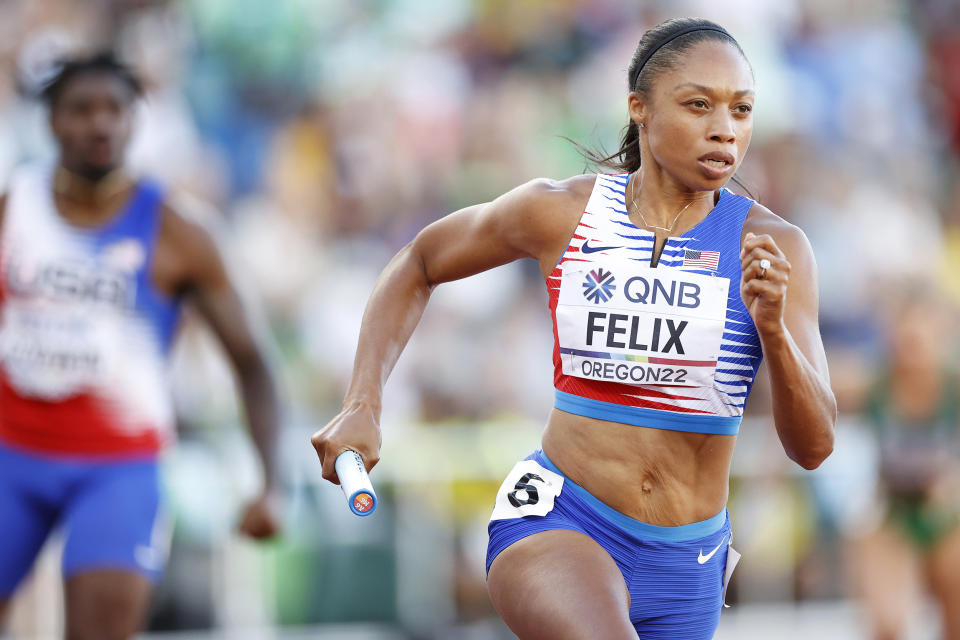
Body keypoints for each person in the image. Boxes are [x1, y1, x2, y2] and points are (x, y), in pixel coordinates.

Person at [311, 17, 836, 639]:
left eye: (742, 110)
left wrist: (773, 332)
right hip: (562, 521)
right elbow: (419, 262)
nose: (724, 128)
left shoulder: (774, 248)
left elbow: (813, 448)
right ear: (639, 108)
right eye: (698, 105)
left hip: (688, 558)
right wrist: (363, 403)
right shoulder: (562, 211)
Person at [0, 53, 282, 640]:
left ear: (137, 121)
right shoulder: (12, 209)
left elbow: (253, 363)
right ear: (51, 121)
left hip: (118, 466)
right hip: (12, 455)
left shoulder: (181, 233)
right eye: (82, 110)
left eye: (116, 110)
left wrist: (271, 483)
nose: (100, 124)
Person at [849, 287, 960, 640]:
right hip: (891, 512)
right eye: (905, 336)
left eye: (922, 336)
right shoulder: (874, 386)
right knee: (888, 622)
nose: (913, 349)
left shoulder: (953, 388)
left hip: (947, 513)